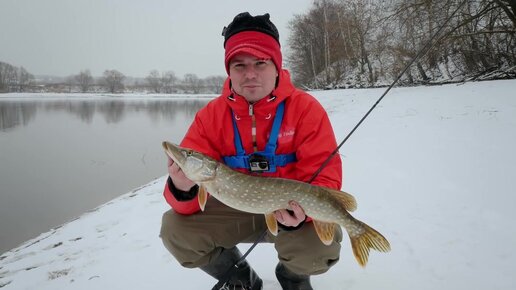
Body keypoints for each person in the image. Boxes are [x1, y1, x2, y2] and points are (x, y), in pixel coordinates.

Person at [160, 12, 343, 290]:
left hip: (290, 210)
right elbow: (185, 206)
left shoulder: (305, 110)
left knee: (320, 246)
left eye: (260, 62)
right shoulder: (211, 116)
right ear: (229, 70)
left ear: (277, 66)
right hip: (235, 206)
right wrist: (181, 187)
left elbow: (325, 178)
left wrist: (302, 216)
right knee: (176, 231)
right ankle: (240, 278)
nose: (250, 74)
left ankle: (292, 277)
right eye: (239, 65)